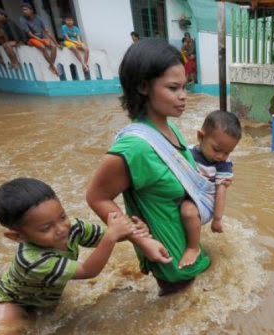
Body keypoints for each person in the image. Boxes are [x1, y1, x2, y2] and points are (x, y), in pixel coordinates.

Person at [86, 38, 211, 296]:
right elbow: (96, 197)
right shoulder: (135, 148)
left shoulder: (169, 128)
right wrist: (142, 240)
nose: (183, 96)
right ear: (144, 87)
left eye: (184, 87)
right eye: (173, 88)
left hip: (189, 251)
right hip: (171, 263)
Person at [0, 177, 159, 331]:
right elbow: (88, 271)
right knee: (4, 331)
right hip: (14, 301)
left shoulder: (73, 227)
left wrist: (132, 230)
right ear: (17, 236)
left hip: (44, 296)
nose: (61, 229)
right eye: (46, 228)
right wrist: (113, 234)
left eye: (62, 217)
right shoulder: (32, 261)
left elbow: (104, 236)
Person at [177, 110, 241, 268]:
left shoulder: (223, 165)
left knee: (187, 211)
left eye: (227, 152)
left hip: (205, 202)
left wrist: (217, 219)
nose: (221, 156)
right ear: (200, 137)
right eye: (217, 149)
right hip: (189, 193)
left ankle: (193, 248)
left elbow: (221, 191)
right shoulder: (187, 153)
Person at [19, 3, 59, 76]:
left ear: (31, 10)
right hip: (30, 39)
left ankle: (50, 66)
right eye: (23, 10)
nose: (24, 11)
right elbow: (30, 34)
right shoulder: (22, 19)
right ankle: (53, 67)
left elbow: (46, 30)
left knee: (54, 47)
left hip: (41, 38)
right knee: (43, 47)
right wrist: (42, 41)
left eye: (26, 9)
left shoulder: (38, 17)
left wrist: (56, 42)